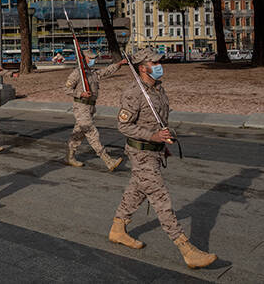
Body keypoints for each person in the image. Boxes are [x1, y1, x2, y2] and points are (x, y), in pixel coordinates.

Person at [109, 48, 217, 269]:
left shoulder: (157, 88)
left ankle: (117, 229)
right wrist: (152, 136)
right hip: (140, 153)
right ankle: (186, 249)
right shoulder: (133, 93)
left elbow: (159, 119)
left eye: (159, 62)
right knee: (160, 198)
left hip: (155, 150)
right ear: (142, 68)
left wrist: (161, 141)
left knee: (137, 191)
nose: (159, 65)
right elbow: (123, 125)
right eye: (154, 62)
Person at [64, 50, 125, 170]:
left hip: (90, 107)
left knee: (78, 134)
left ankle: (69, 157)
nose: (93, 60)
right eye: (90, 58)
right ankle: (108, 160)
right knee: (92, 132)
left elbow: (106, 71)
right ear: (83, 59)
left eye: (94, 58)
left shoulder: (92, 73)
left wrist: (118, 64)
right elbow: (66, 89)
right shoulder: (77, 73)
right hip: (81, 107)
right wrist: (80, 93)